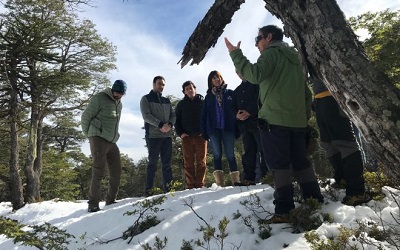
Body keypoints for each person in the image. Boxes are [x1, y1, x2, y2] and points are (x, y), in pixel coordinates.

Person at [225, 25, 323, 223]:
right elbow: (305, 93)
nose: (256, 43)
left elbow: (254, 75)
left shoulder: (271, 53)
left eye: (258, 38)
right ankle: (314, 200)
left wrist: (236, 54)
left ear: (269, 37)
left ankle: (284, 211)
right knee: (301, 161)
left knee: (279, 166)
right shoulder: (295, 57)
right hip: (297, 121)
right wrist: (304, 118)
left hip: (275, 121)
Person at [311, 77, 370, 206]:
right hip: (319, 99)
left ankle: (357, 191)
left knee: (345, 143)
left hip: (335, 96)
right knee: (328, 143)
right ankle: (342, 178)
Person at [81, 79, 127, 212]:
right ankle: (93, 204)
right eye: (117, 92)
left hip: (111, 141)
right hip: (98, 138)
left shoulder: (119, 104)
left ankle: (110, 200)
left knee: (117, 171)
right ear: (112, 89)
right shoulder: (99, 98)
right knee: (99, 171)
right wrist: (90, 136)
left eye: (121, 93)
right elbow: (85, 117)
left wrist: (115, 136)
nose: (118, 95)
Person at [202, 70, 240, 186]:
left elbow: (237, 111)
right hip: (214, 130)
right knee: (217, 154)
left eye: (218, 77)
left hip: (228, 128)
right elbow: (204, 115)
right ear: (211, 82)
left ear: (222, 78)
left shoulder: (230, 93)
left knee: (230, 154)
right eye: (214, 78)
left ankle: (236, 181)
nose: (217, 79)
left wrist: (237, 128)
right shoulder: (208, 97)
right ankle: (219, 182)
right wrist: (204, 131)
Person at [140, 76, 176, 196]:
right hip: (153, 136)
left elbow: (173, 115)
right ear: (153, 84)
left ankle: (169, 190)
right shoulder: (145, 99)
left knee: (167, 163)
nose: (161, 86)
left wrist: (170, 124)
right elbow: (146, 116)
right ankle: (149, 191)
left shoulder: (167, 101)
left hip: (167, 136)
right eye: (159, 84)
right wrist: (160, 125)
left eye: (163, 84)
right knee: (152, 163)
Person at [232, 71, 268, 186]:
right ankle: (249, 178)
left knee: (264, 150)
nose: (240, 73)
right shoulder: (237, 90)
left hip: (258, 123)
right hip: (245, 126)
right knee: (249, 152)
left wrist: (249, 111)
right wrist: (236, 115)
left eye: (242, 71)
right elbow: (233, 107)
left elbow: (261, 100)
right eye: (237, 71)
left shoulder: (257, 84)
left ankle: (267, 177)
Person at [175, 81, 208, 189]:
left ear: (195, 88)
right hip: (187, 137)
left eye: (191, 88)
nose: (189, 90)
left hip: (201, 136)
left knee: (201, 161)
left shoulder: (203, 102)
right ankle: (190, 185)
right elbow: (177, 120)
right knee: (188, 162)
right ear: (184, 92)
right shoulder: (181, 104)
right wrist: (181, 133)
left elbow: (208, 117)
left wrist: (205, 131)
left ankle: (200, 184)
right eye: (187, 89)